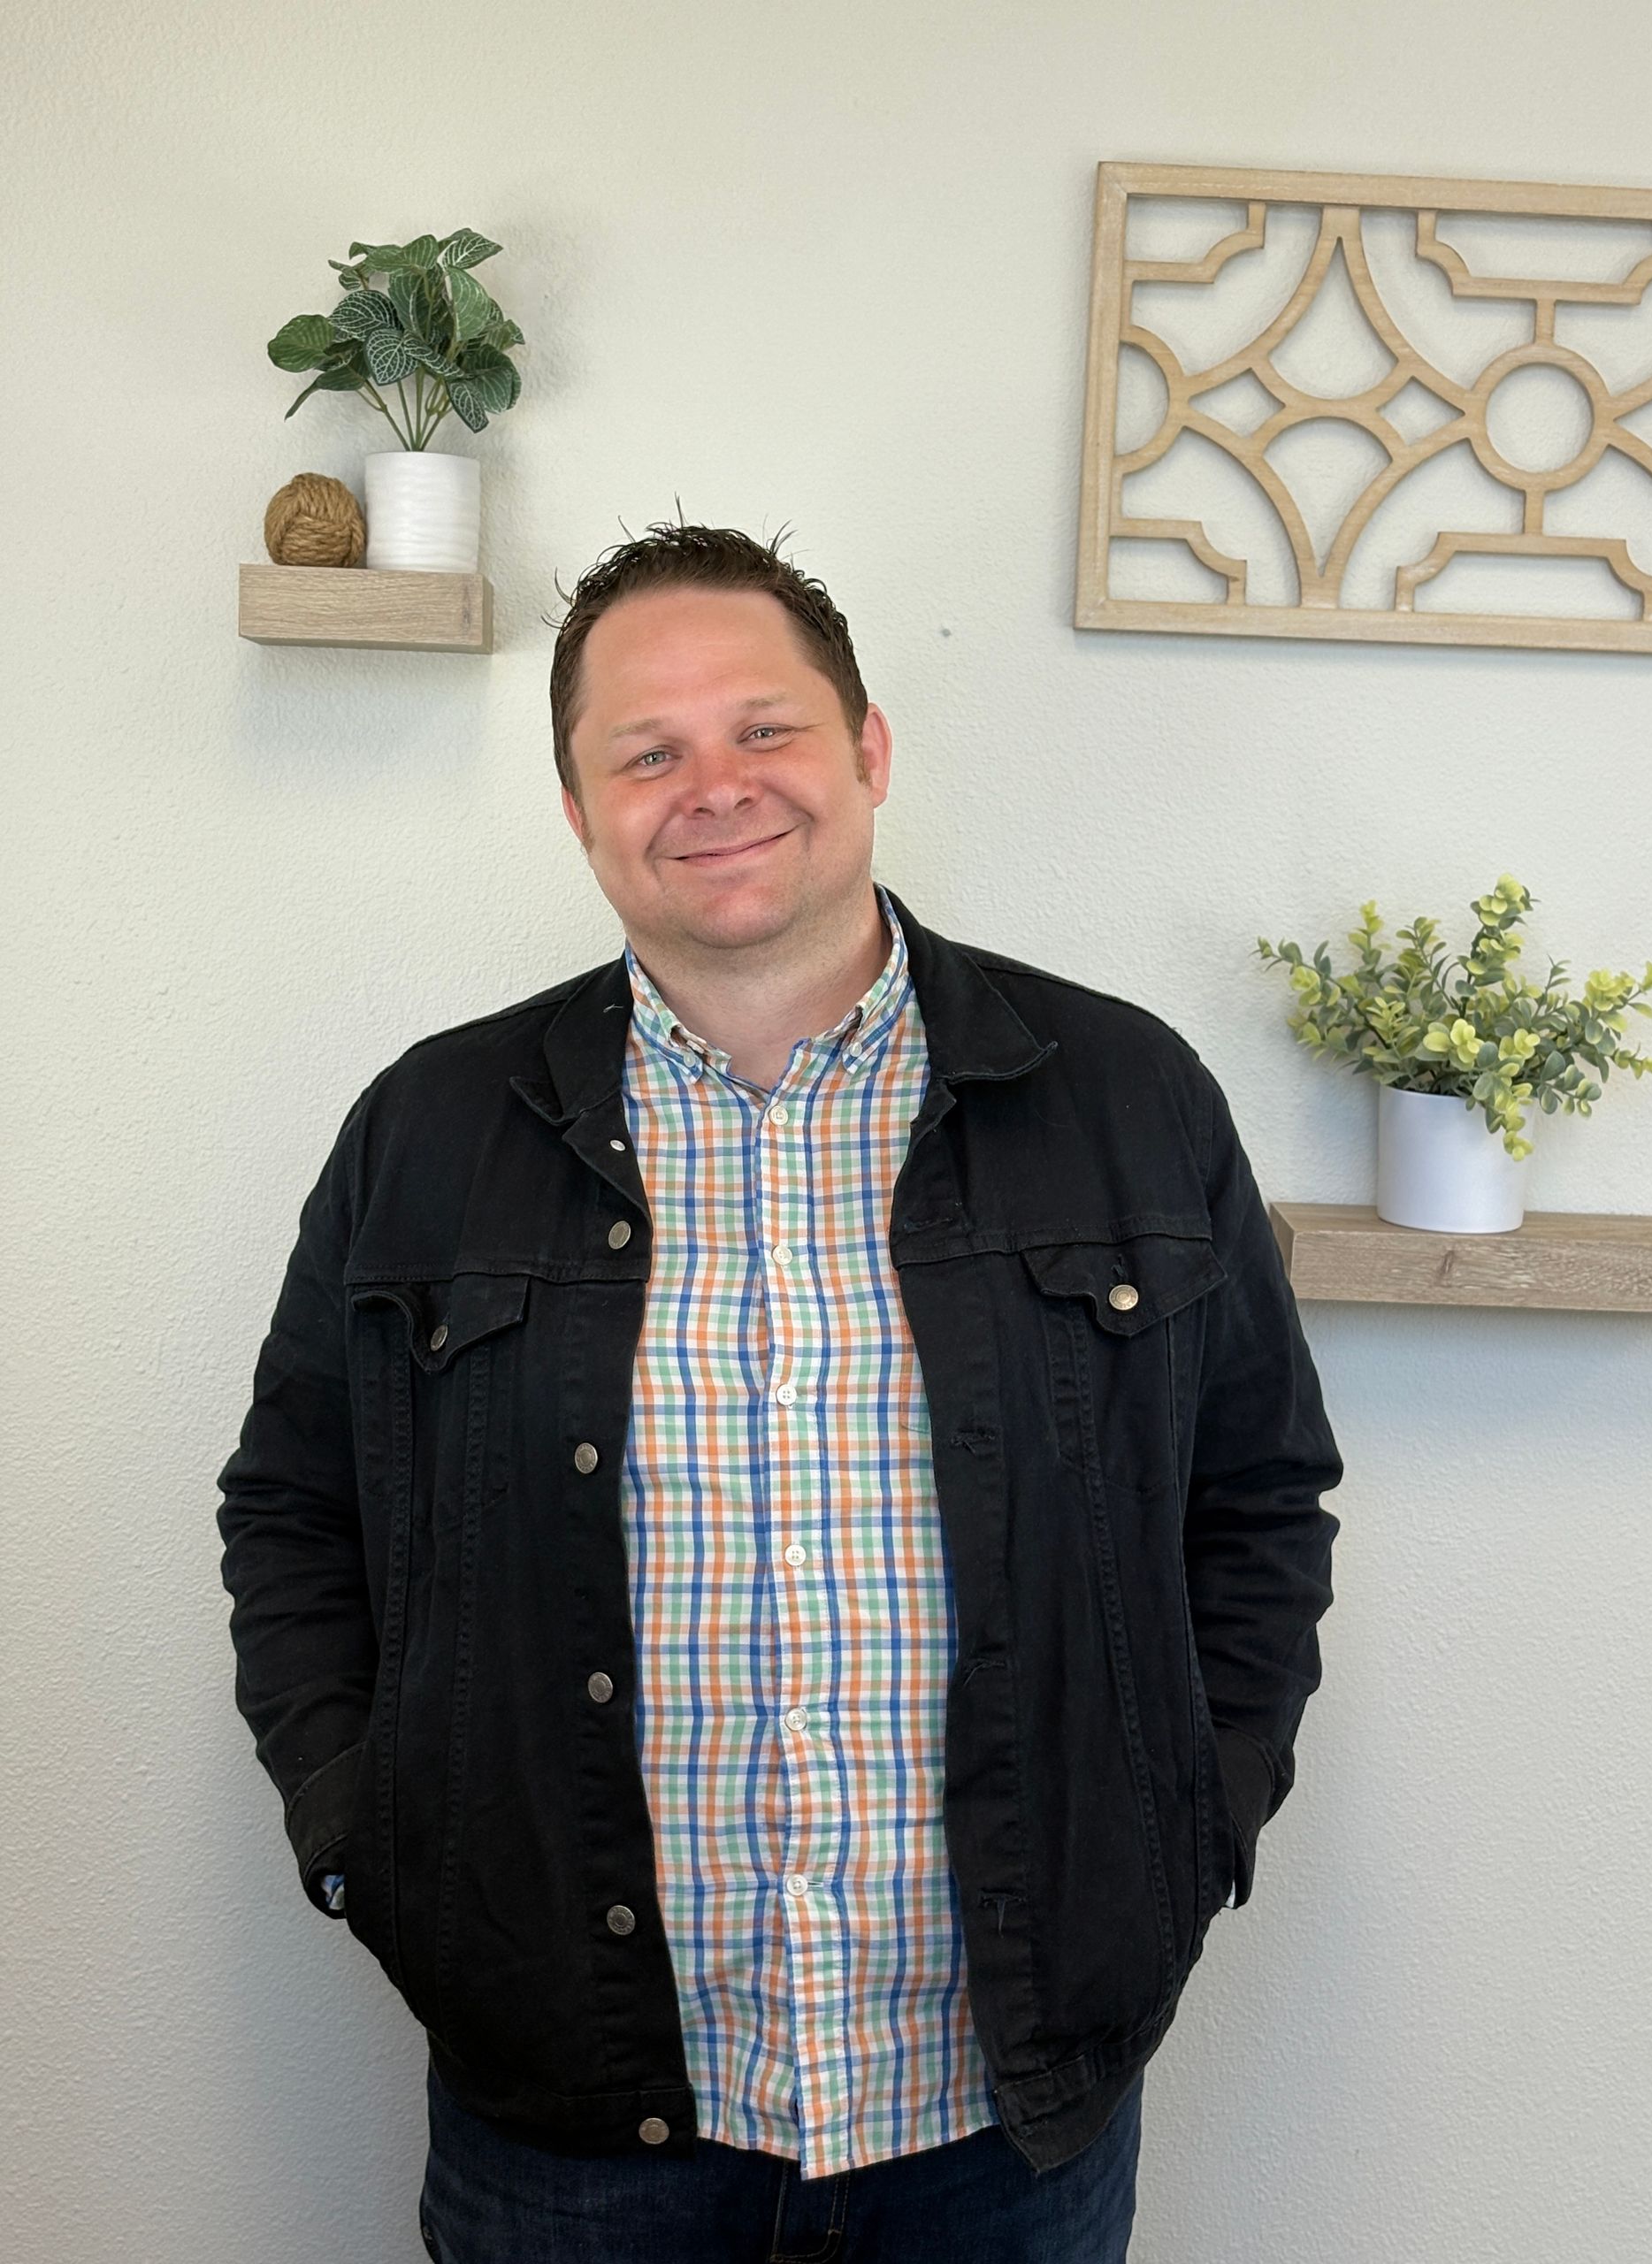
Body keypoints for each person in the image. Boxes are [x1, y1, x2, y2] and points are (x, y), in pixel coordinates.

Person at [217, 519, 1344, 2263]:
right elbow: (295, 1513)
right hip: (572, 2109)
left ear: (868, 749)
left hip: (998, 2104)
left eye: (766, 728)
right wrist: (370, 1838)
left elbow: (1256, 1499)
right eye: (645, 750)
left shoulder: (1123, 1092)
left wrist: (1188, 1820)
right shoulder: (431, 1132)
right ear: (581, 808)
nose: (714, 784)